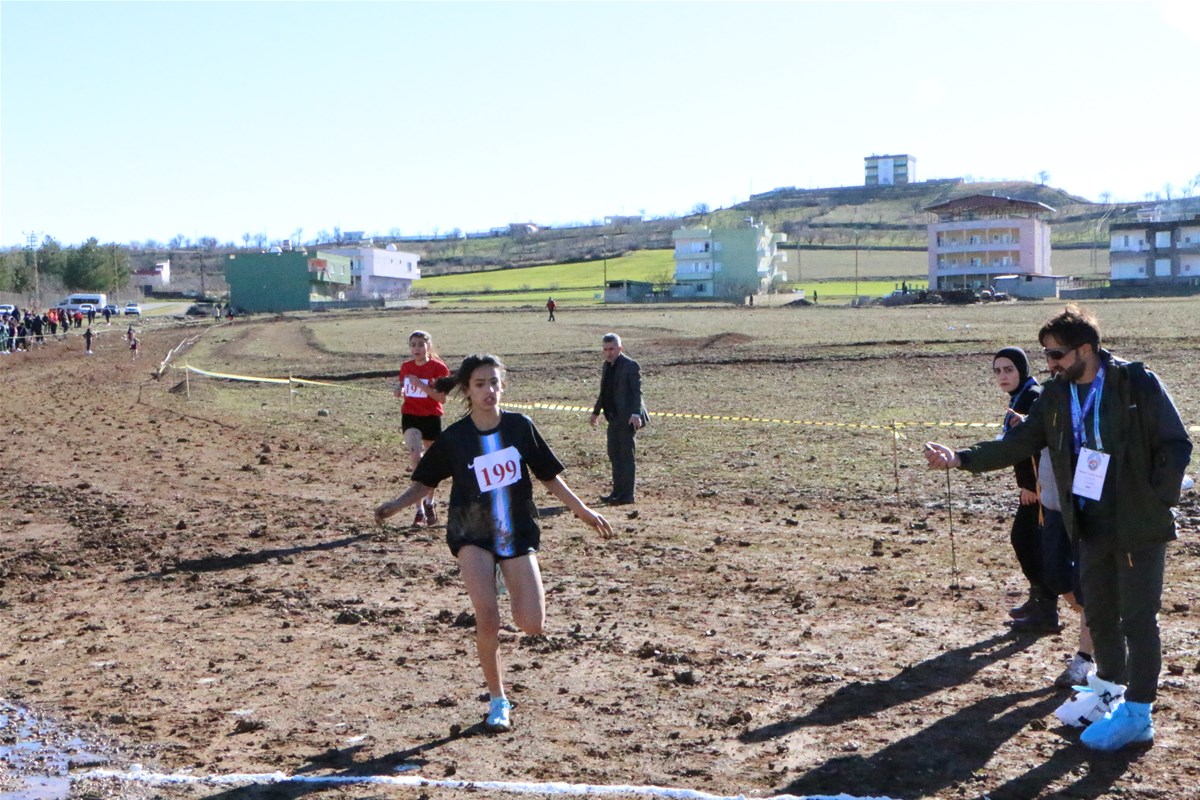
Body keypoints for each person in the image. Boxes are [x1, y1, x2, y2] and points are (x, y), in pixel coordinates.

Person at [925, 305, 1191, 751]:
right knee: (1100, 613)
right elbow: (1019, 443)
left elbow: (1176, 442)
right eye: (1046, 355)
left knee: (1137, 620)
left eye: (1056, 355)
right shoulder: (1056, 395)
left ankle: (1139, 714)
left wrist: (1155, 498)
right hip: (1087, 523)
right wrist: (961, 458)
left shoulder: (1135, 383)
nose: (1049, 364)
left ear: (1086, 349)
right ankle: (1108, 693)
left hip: (1137, 524)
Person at [375, 354, 612, 733]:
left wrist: (582, 511)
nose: (490, 390)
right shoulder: (456, 436)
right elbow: (426, 482)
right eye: (481, 384)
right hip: (471, 533)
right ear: (467, 390)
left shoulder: (520, 427)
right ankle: (498, 699)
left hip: (515, 532)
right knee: (488, 618)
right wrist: (395, 506)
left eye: (495, 383)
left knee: (531, 624)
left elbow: (549, 476)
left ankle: (504, 574)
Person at [992, 346, 1058, 633]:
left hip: (1040, 487)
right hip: (1035, 485)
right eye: (997, 371)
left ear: (1022, 369)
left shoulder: (1031, 397)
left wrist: (1031, 486)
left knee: (1028, 543)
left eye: (1009, 369)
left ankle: (1046, 611)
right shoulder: (1022, 395)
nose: (1003, 376)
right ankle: (1039, 601)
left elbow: (1033, 444)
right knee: (1029, 543)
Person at [396, 330, 451, 526]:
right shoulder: (406, 367)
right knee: (415, 455)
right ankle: (418, 509)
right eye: (413, 345)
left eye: (420, 344)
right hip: (410, 416)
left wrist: (420, 385)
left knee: (430, 463)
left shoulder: (438, 368)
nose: (416, 349)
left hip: (431, 417)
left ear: (428, 346)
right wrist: (399, 389)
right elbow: (402, 384)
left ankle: (430, 502)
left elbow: (441, 398)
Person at [589, 333, 649, 505]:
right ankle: (616, 493)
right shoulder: (606, 366)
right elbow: (604, 392)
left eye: (612, 349)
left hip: (628, 418)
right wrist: (596, 412)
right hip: (613, 418)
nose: (608, 353)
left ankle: (627, 495)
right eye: (606, 349)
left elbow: (637, 392)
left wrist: (636, 414)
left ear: (619, 348)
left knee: (626, 457)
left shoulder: (631, 366)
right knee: (614, 455)